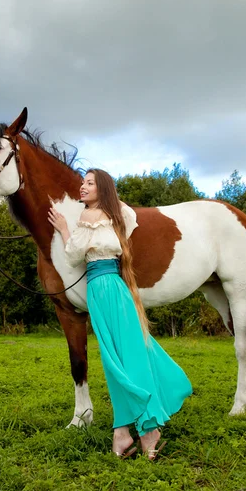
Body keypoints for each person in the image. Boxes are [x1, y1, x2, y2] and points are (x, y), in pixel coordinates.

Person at [48, 169, 192, 460]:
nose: (83, 187)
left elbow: (74, 253)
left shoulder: (101, 216)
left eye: (90, 183)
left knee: (126, 356)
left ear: (102, 188)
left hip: (110, 288)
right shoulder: (101, 217)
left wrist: (66, 230)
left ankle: (129, 433)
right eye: (82, 182)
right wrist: (66, 227)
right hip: (105, 289)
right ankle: (133, 432)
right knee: (124, 356)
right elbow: (78, 255)